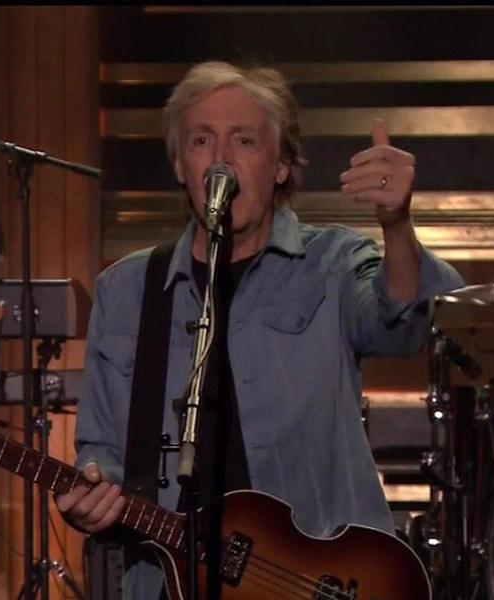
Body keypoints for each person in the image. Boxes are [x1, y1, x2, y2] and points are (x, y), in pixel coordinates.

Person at [56, 61, 464, 598]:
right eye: (201, 140)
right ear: (180, 165)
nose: (220, 158)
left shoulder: (332, 263)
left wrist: (398, 225)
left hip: (317, 581)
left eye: (244, 140)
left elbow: (403, 326)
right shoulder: (127, 290)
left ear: (280, 167)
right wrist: (91, 495)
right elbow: (101, 451)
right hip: (170, 583)